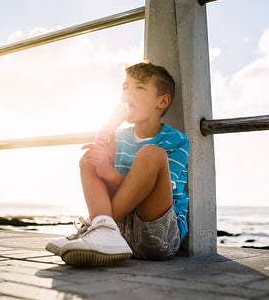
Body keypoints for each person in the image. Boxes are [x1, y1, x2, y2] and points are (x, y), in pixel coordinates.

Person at [45, 61, 189, 267]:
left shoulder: (176, 140)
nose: (128, 94)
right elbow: (105, 181)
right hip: (120, 234)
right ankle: (102, 232)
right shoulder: (119, 137)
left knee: (150, 154)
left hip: (157, 234)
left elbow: (153, 191)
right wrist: (108, 133)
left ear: (162, 101)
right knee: (90, 158)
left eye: (139, 88)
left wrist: (109, 171)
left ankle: (99, 226)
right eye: (125, 87)